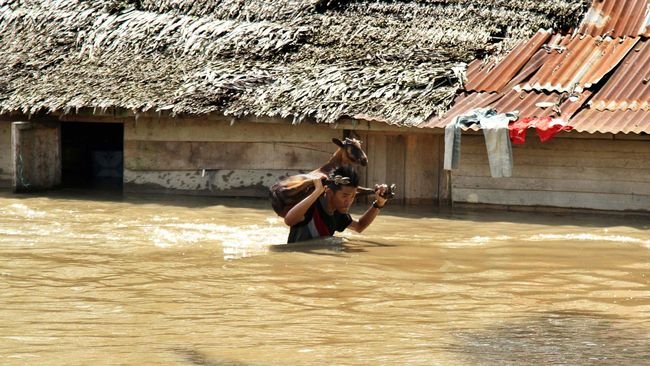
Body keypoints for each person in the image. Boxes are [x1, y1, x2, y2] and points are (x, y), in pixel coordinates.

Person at [284, 165, 389, 243]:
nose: (348, 202)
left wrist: (379, 204)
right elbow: (289, 220)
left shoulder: (338, 213)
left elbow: (359, 226)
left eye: (352, 197)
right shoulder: (312, 205)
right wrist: (316, 192)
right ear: (329, 192)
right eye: (344, 196)